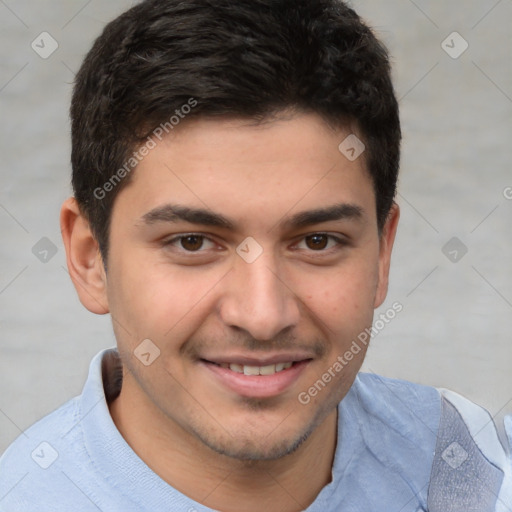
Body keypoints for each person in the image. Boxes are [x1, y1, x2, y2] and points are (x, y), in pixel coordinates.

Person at [0, 0, 510, 510]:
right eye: (193, 242)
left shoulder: (477, 470)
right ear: (90, 259)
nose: (263, 316)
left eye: (317, 241)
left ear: (381, 253)